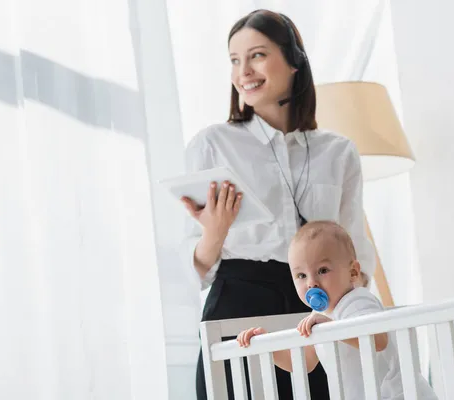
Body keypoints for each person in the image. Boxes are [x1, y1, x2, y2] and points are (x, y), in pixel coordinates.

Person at [180, 9, 376, 400]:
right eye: (234, 60)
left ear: (293, 61)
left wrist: (356, 311)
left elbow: (356, 247)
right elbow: (193, 268)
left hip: (318, 309)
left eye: (256, 55)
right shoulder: (212, 144)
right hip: (238, 304)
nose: (243, 72)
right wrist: (215, 232)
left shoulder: (338, 152)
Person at [236, 221, 438, 400]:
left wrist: (332, 329)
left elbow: (378, 340)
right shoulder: (320, 317)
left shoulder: (357, 301)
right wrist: (267, 346)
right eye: (301, 276)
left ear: (352, 272)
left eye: (322, 271)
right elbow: (303, 362)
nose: (311, 283)